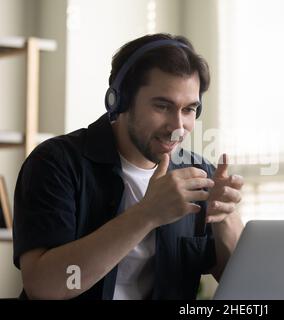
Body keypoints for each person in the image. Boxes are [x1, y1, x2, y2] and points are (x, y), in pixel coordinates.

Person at [12, 33, 244, 300]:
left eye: (189, 109)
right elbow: (44, 287)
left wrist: (223, 219)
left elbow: (245, 286)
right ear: (119, 101)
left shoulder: (199, 174)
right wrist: (146, 214)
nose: (178, 127)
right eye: (162, 106)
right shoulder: (56, 163)